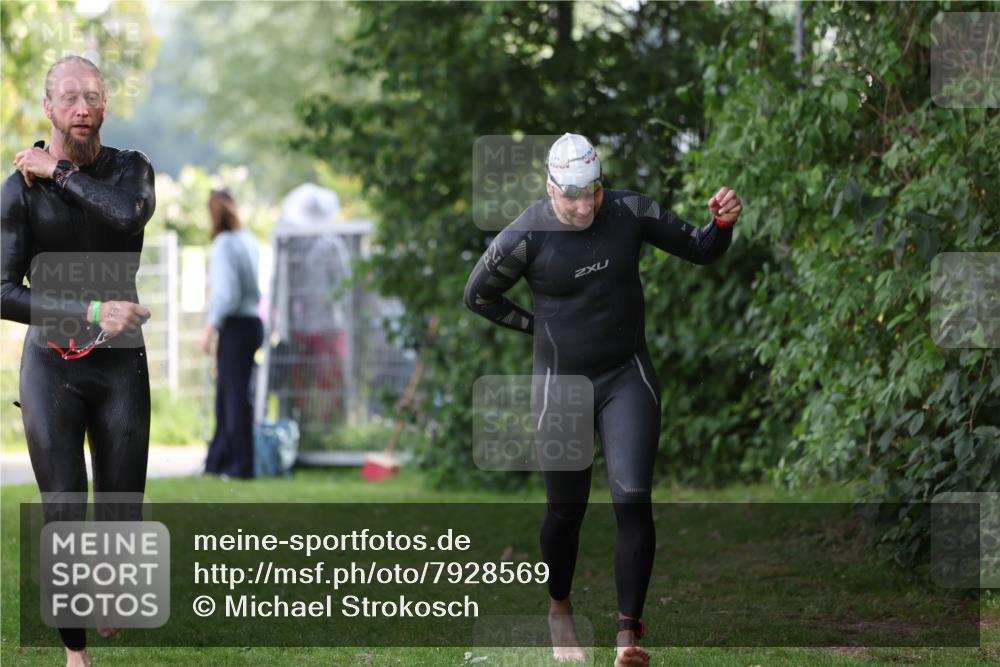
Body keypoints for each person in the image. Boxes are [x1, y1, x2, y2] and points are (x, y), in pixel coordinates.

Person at [464, 133, 741, 667]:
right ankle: (559, 606)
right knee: (566, 513)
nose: (582, 205)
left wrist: (722, 223)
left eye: (590, 192)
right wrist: (536, 326)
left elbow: (702, 249)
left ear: (600, 184)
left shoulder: (629, 211)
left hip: (625, 377)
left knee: (632, 497)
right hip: (561, 387)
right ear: (550, 189)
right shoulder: (525, 234)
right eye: (569, 195)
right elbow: (478, 295)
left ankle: (627, 635)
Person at [2, 55, 155, 667]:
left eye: (93, 96)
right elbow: (2, 291)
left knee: (121, 506)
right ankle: (75, 654)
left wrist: (59, 171)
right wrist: (93, 310)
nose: (82, 106)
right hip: (52, 365)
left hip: (120, 364)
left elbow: (125, 214)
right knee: (63, 504)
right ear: (48, 107)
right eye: (69, 97)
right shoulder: (19, 190)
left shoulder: (131, 170)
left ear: (106, 106)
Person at [200, 189, 262, 479]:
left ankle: (240, 466)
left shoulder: (224, 244)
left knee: (232, 399)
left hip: (236, 326)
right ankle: (219, 462)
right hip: (253, 323)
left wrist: (210, 327)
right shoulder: (248, 240)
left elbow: (226, 294)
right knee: (234, 396)